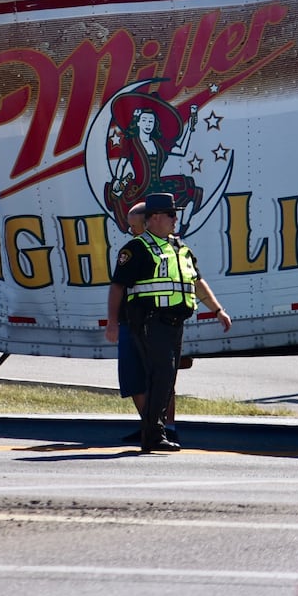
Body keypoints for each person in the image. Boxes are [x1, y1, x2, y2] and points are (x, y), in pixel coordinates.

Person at [105, 192, 232, 453]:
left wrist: (217, 310)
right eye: (172, 214)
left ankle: (154, 431)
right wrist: (112, 322)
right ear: (154, 218)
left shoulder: (180, 249)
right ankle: (153, 433)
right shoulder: (137, 248)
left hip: (175, 323)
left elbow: (196, 282)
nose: (176, 219)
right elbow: (118, 287)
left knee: (166, 378)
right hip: (150, 321)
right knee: (160, 376)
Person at [113, 201, 177, 445]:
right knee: (142, 377)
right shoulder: (149, 249)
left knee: (154, 377)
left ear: (148, 222)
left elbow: (117, 287)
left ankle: (160, 427)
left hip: (147, 322)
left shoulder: (164, 250)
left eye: (134, 226)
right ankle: (153, 426)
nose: (131, 231)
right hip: (140, 321)